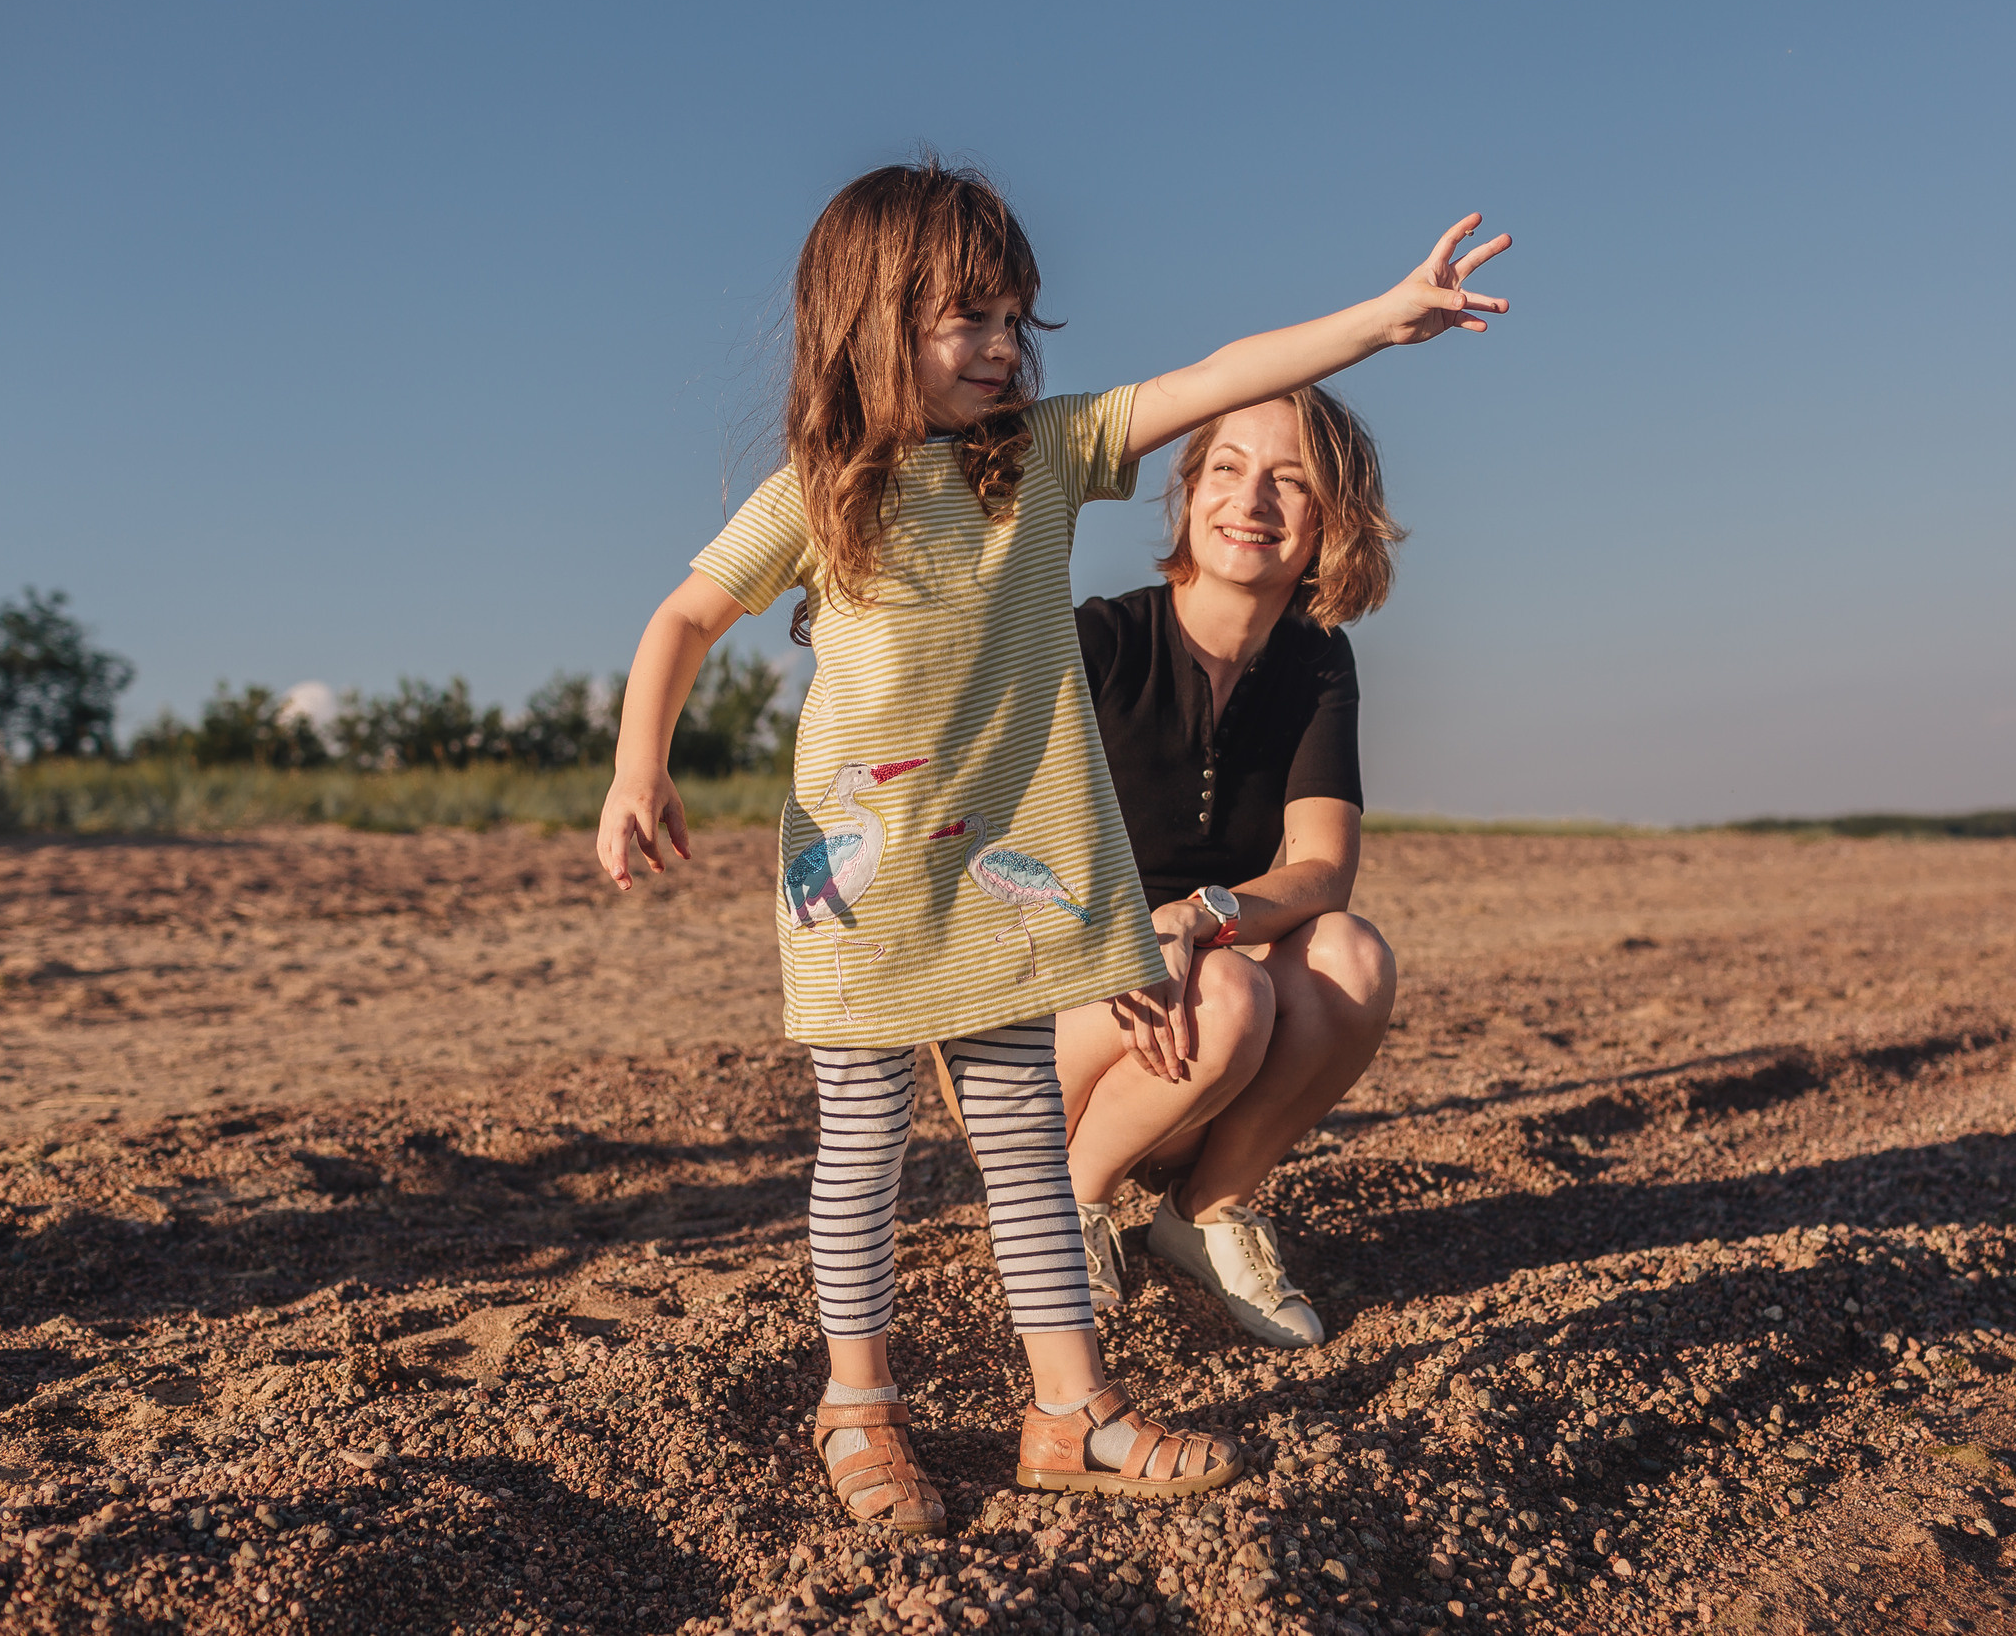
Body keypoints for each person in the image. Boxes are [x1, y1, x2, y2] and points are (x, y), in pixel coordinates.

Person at [595, 158, 1510, 1534]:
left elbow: (1217, 372)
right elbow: (681, 618)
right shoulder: (818, 492)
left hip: (1009, 889)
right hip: (856, 890)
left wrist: (1377, 321)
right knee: (860, 1146)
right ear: (868, 317)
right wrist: (635, 763)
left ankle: (1070, 1407)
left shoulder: (1044, 459)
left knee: (1026, 1147)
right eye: (970, 316)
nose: (1006, 346)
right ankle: (858, 1403)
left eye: (1020, 318)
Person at [1064, 385, 1400, 1349]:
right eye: (1226, 469)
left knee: (1353, 957)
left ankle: (1202, 1215)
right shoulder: (1099, 642)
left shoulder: (1318, 661)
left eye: (1289, 481)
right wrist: (1125, 944)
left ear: (1331, 519)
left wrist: (1196, 917)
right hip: (1045, 1008)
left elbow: (1323, 872)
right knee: (1235, 1000)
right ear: (1188, 490)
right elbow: (997, 862)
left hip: (1192, 1009)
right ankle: (1060, 1213)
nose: (1251, 501)